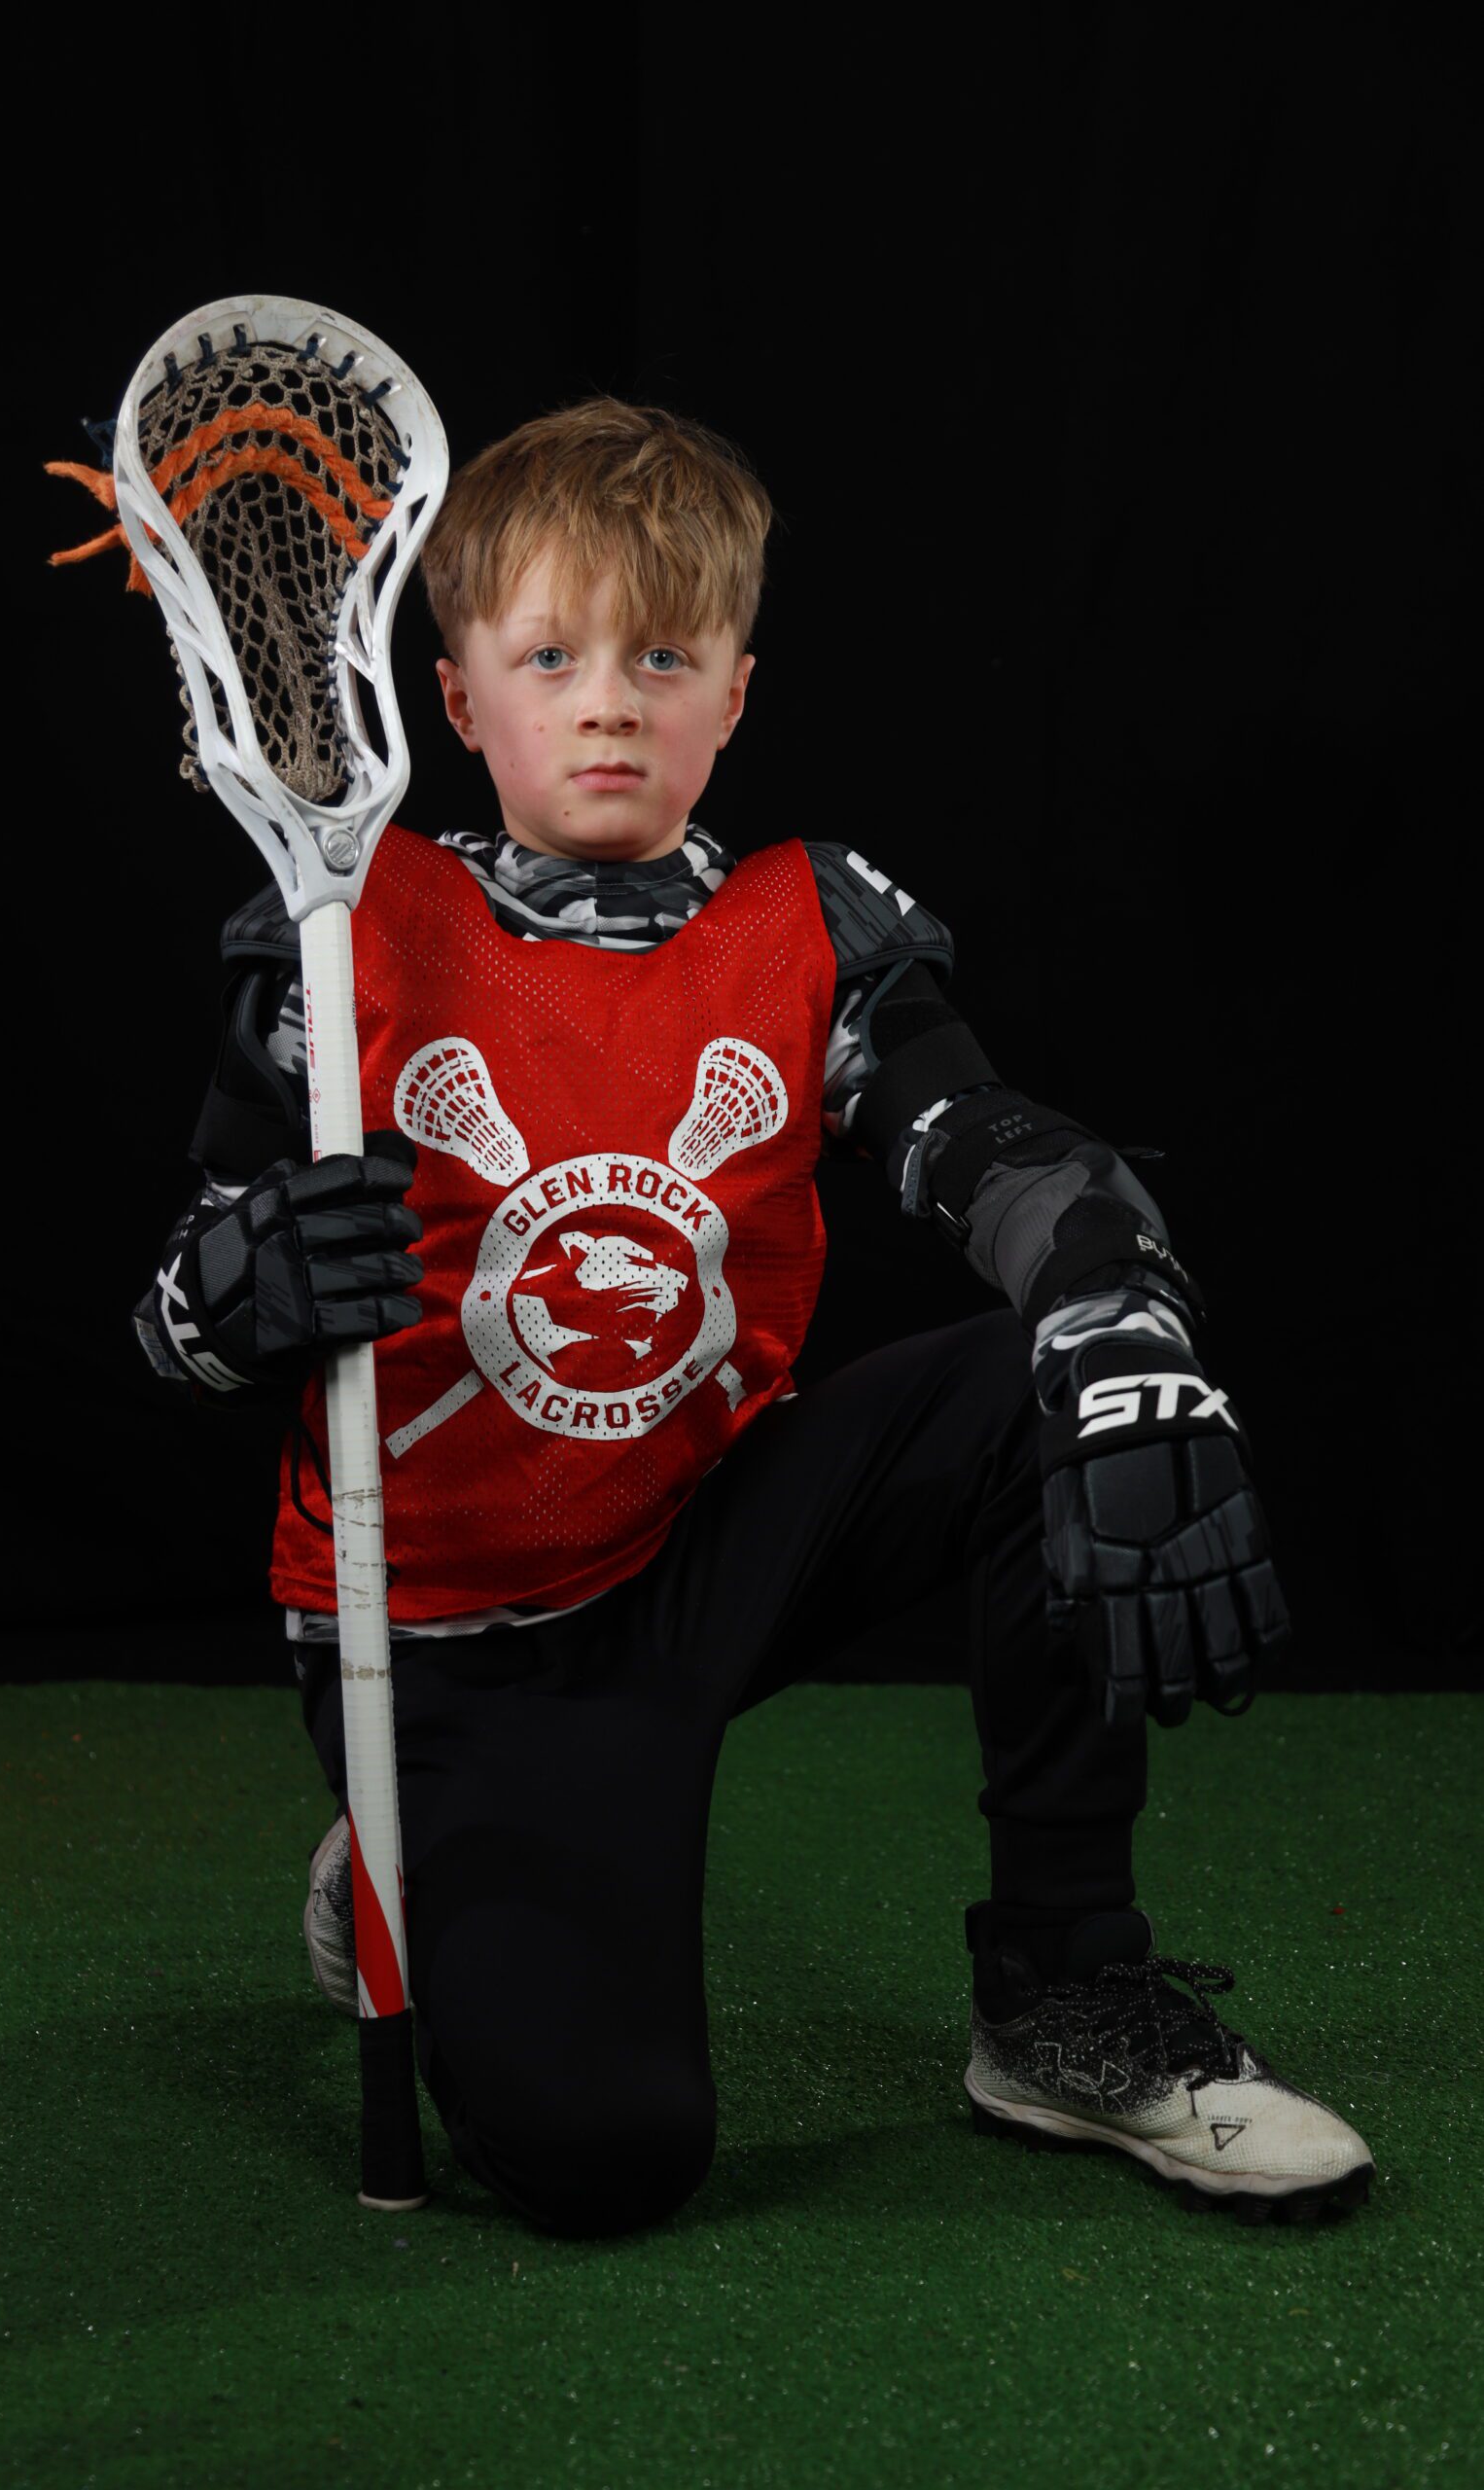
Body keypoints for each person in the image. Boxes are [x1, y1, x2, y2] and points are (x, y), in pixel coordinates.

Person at [134, 399, 1372, 2233]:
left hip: (707, 1540)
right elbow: (170, 1317)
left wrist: (1123, 1317)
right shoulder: (346, 938)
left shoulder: (814, 928)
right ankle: (395, 1854)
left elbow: (994, 1142)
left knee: (1074, 1376)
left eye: (663, 655)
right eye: (549, 655)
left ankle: (1060, 1995)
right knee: (604, 2157)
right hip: (452, 1644)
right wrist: (234, 1295)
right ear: (458, 703)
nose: (610, 700)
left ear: (734, 694)